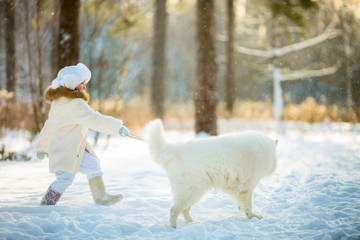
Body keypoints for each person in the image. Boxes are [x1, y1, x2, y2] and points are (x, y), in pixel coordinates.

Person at [36, 63, 130, 206]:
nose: (84, 86)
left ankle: (101, 197)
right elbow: (95, 120)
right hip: (66, 150)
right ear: (71, 82)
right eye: (82, 83)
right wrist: (117, 127)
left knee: (93, 165)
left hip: (73, 148)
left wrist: (42, 147)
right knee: (64, 179)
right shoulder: (75, 104)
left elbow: (49, 125)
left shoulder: (58, 102)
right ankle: (46, 204)